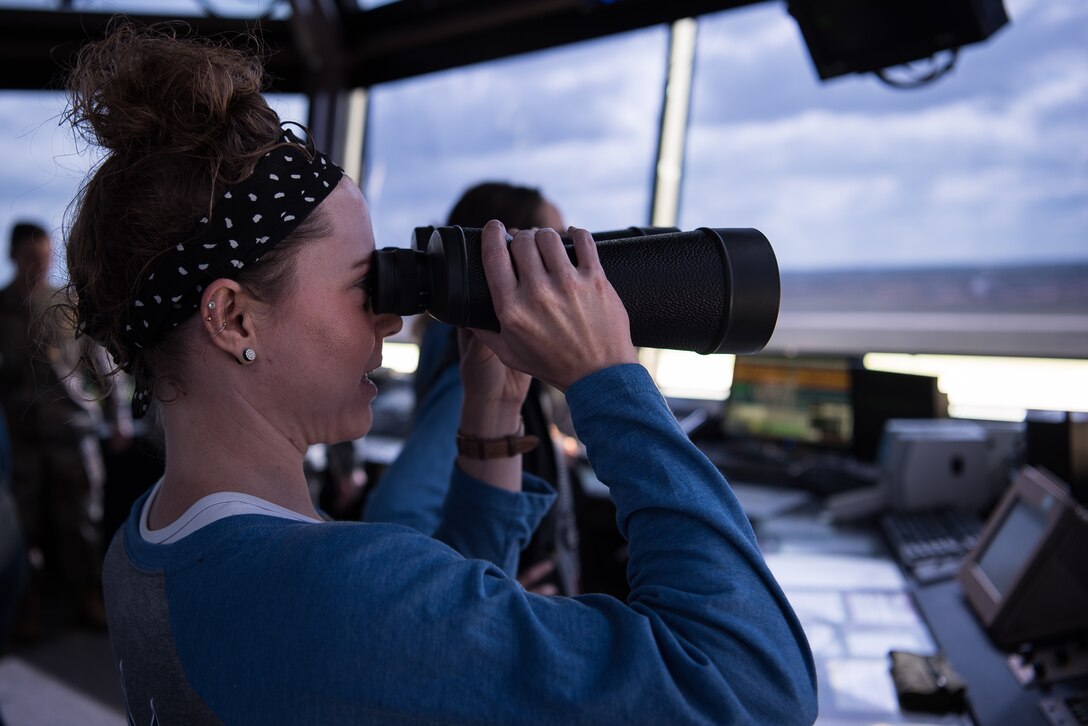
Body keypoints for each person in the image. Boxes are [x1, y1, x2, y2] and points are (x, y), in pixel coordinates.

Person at [63, 24, 817, 724]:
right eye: (366, 286)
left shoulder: (143, 550)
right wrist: (607, 377)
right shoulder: (337, 593)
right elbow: (752, 684)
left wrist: (488, 431)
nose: (391, 320)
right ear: (232, 318)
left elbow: (425, 655)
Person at [364, 181, 577, 595]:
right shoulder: (476, 368)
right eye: (555, 250)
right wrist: (496, 590)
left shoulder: (486, 358)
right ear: (509, 264)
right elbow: (397, 512)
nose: (567, 271)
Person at [0, 221, 131, 636]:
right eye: (31, 258)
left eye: (45, 257)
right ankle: (25, 604)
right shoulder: (0, 306)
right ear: (13, 256)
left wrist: (119, 415)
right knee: (24, 524)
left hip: (71, 427)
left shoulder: (68, 303)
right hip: (20, 435)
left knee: (82, 519)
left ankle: (88, 596)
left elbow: (100, 359)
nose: (40, 265)